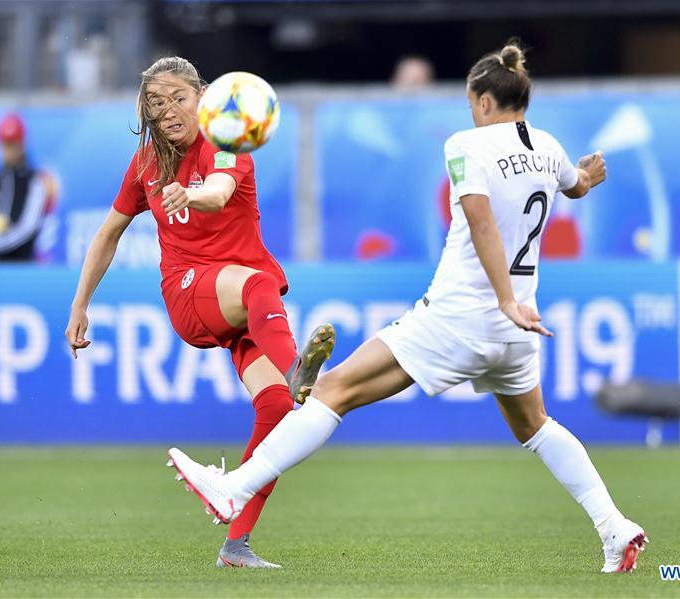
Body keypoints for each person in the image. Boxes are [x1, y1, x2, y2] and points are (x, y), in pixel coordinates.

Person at [168, 40, 649, 574]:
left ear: (483, 101)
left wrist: (503, 298)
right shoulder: (549, 147)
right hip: (516, 328)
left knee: (332, 390)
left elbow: (482, 222)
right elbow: (575, 186)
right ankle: (614, 527)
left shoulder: (466, 144)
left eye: (471, 102)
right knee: (535, 425)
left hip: (461, 315)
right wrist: (587, 176)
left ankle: (234, 489)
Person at [65, 56, 335, 569]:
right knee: (257, 284)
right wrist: (80, 304)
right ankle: (298, 367)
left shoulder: (228, 145)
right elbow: (107, 234)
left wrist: (189, 193)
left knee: (277, 410)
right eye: (155, 102)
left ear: (203, 97)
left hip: (239, 308)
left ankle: (236, 545)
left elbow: (219, 191)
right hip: (192, 294)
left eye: (178, 98)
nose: (166, 110)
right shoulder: (146, 162)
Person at [0, 113, 57, 262]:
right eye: (5, 144)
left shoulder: (34, 182)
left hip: (20, 268)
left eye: (13, 143)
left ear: (22, 144)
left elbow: (27, 228)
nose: (9, 150)